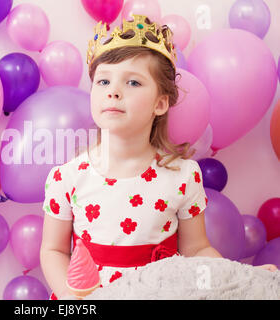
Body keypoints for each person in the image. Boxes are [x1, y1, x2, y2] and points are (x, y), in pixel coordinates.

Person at [40, 14, 277, 300]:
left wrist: (242, 278)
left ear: (161, 103)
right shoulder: (67, 178)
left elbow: (197, 250)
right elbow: (53, 249)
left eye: (133, 83)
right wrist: (71, 297)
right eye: (103, 81)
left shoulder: (182, 176)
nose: (113, 92)